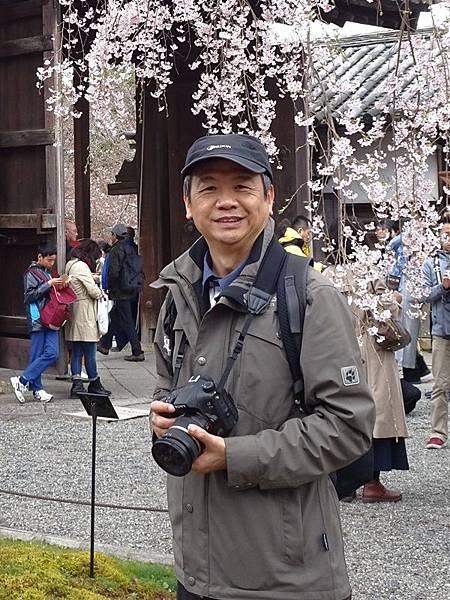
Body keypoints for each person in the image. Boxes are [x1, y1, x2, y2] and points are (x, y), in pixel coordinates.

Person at [150, 133, 374, 600]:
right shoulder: (177, 295)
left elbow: (348, 427)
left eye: (243, 187)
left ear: (269, 197)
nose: (226, 202)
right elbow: (166, 389)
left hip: (285, 580)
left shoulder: (310, 297)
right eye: (208, 188)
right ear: (187, 204)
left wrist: (235, 456)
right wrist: (163, 418)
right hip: (195, 571)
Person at [10, 243, 65, 403]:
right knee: (37, 356)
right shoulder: (31, 273)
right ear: (39, 257)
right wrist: (48, 285)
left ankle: (22, 381)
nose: (51, 263)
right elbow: (29, 296)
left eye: (53, 260)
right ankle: (37, 389)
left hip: (50, 317)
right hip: (38, 318)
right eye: (49, 260)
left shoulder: (48, 273)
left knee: (52, 353)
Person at [65, 239, 110, 398]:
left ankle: (76, 384)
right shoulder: (81, 266)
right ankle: (94, 383)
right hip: (84, 311)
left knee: (77, 350)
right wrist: (101, 293)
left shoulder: (71, 264)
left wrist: (94, 278)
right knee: (90, 349)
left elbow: (81, 280)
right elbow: (92, 291)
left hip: (74, 308)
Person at [97, 223, 144, 361]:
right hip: (130, 287)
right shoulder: (131, 248)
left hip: (120, 290)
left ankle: (137, 351)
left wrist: (109, 286)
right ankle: (105, 345)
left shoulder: (116, 250)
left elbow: (114, 271)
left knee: (127, 320)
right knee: (115, 315)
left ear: (114, 236)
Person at [422, 221, 450, 449]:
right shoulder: (432, 263)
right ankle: (438, 432)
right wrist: (443, 286)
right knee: (440, 384)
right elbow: (424, 295)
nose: (448, 238)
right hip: (441, 331)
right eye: (445, 234)